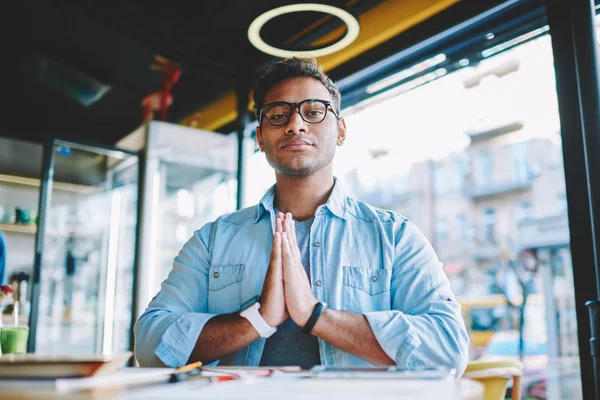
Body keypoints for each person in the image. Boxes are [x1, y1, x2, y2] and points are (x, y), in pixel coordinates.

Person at [134, 57, 469, 373]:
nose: (295, 124)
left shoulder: (395, 237)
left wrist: (315, 315)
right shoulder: (213, 240)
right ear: (260, 139)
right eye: (278, 115)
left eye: (313, 111)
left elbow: (448, 350)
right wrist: (258, 319)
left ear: (340, 130)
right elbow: (149, 345)